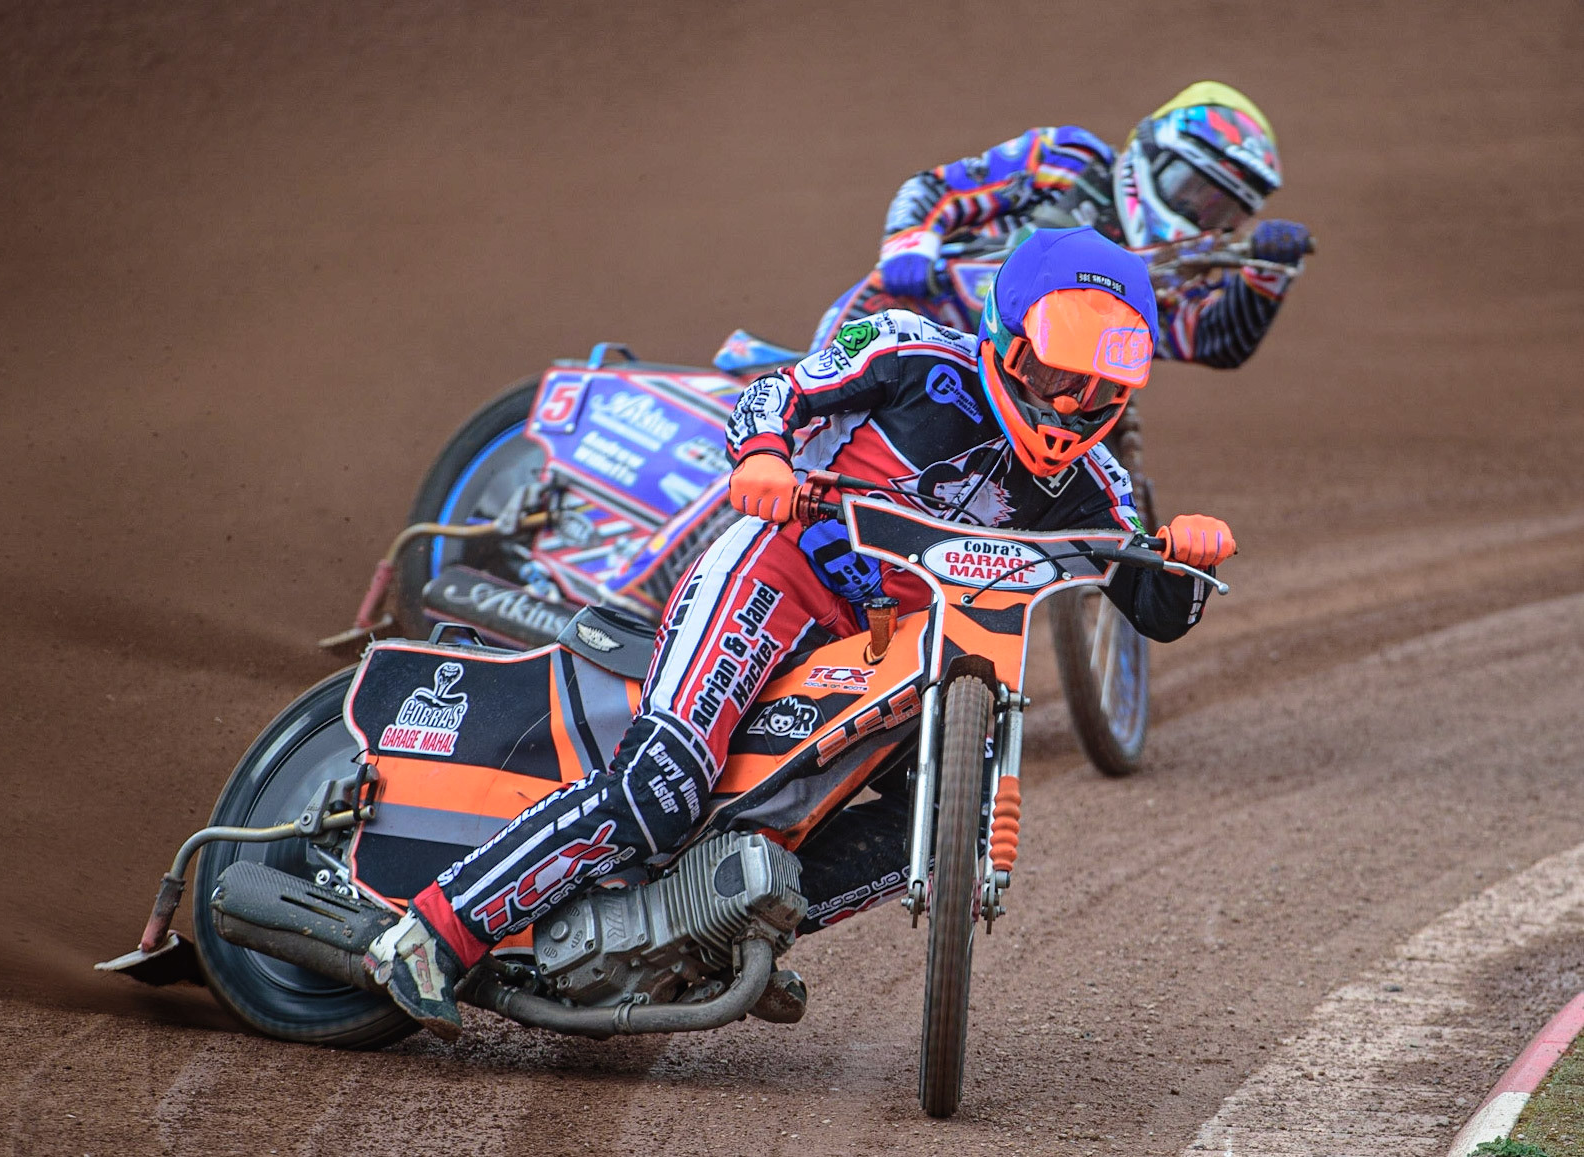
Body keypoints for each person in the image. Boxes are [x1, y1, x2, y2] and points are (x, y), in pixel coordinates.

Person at [365, 227, 1237, 1041]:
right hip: (779, 572)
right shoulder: (908, 351)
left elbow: (1158, 613)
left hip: (890, 648)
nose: (1072, 406)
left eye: (1099, 391)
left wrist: (1185, 553)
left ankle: (719, 931)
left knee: (945, 834)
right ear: (1006, 341)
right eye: (1056, 376)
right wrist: (764, 457)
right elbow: (775, 392)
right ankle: (434, 932)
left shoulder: (1099, 484)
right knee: (660, 786)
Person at [856, 81, 1310, 368]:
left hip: (1041, 390)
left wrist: (1266, 274)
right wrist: (910, 243)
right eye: (1192, 187)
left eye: (1221, 210)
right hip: (924, 319)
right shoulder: (1071, 162)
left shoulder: (1170, 279)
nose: (1199, 212)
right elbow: (941, 189)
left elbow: (1212, 340)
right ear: (1154, 151)